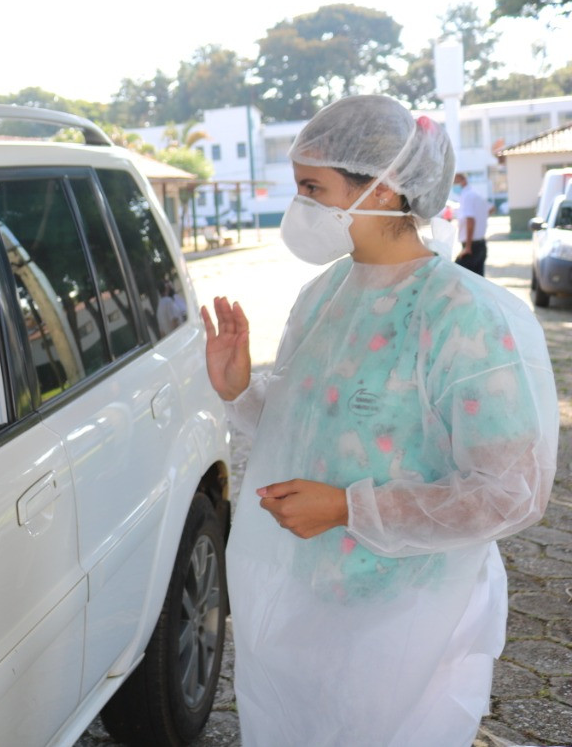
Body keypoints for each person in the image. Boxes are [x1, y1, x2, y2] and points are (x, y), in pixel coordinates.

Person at [200, 95, 556, 746]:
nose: (299, 206)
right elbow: (308, 420)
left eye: (313, 188)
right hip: (310, 593)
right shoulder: (324, 295)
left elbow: (511, 491)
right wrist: (240, 388)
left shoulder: (468, 316)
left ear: (384, 189)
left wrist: (349, 509)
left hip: (414, 611)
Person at [454, 172, 490, 275]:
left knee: (457, 275)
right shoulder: (475, 194)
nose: (454, 185)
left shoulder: (467, 196)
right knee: (477, 280)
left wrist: (468, 247)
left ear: (463, 181)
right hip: (480, 244)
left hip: (472, 246)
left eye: (455, 182)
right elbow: (491, 208)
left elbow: (470, 221)